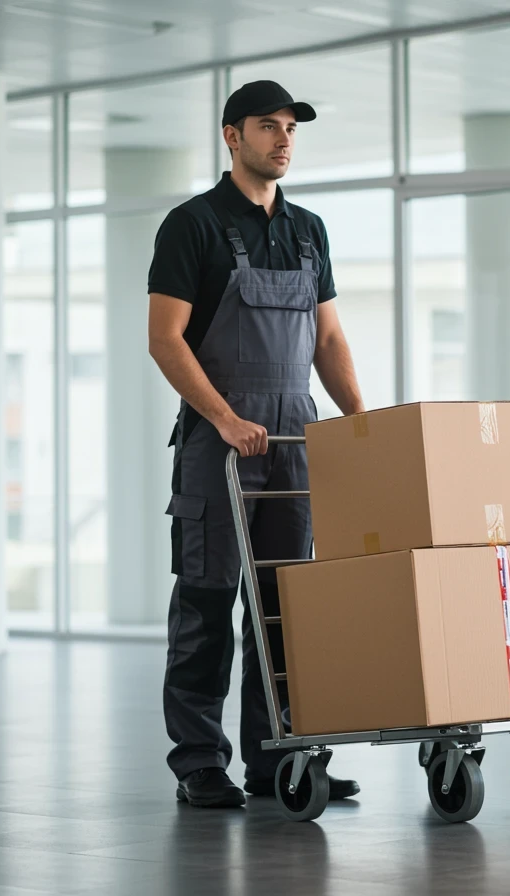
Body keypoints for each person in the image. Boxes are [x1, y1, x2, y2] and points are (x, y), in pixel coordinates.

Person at [147, 80, 365, 808]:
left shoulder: (309, 229)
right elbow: (165, 340)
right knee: (208, 602)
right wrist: (221, 419)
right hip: (221, 444)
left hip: (294, 438)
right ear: (231, 136)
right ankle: (199, 762)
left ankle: (281, 762)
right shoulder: (194, 225)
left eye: (291, 129)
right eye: (268, 127)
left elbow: (328, 339)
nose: (283, 140)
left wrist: (362, 421)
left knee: (284, 605)